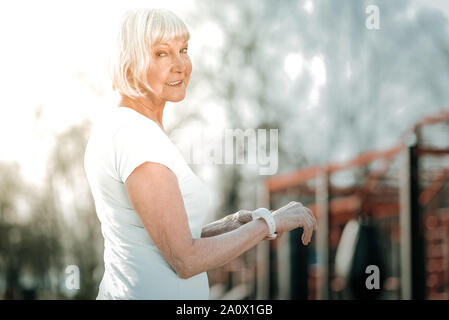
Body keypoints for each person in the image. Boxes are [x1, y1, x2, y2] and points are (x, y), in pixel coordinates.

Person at [84, 8, 317, 300]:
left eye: (183, 49)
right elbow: (185, 260)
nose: (180, 64)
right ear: (130, 63)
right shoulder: (135, 135)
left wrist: (227, 225)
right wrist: (269, 222)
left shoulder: (121, 128)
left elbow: (158, 244)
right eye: (161, 53)